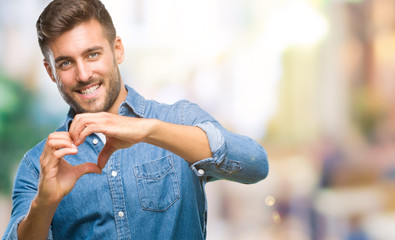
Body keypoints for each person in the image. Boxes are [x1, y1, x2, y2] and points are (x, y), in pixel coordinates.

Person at [2, 0, 269, 239]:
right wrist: (44, 203)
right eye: (66, 63)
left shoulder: (178, 119)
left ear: (117, 50)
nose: (83, 74)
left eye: (92, 54)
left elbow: (255, 164)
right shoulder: (39, 166)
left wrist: (147, 130)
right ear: (51, 72)